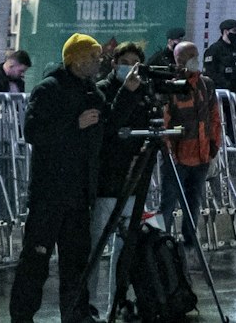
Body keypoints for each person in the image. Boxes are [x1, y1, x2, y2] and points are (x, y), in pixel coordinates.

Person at [9, 33, 103, 323]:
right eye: (92, 57)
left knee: (76, 262)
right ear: (74, 59)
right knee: (36, 259)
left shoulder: (93, 93)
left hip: (78, 195)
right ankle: (22, 316)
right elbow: (34, 133)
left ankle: (76, 315)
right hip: (49, 195)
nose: (97, 63)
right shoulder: (49, 90)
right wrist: (74, 125)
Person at [91, 44, 151, 315]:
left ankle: (120, 298)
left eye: (134, 62)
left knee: (126, 245)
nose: (129, 67)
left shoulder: (143, 92)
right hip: (107, 178)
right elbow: (110, 126)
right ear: (114, 64)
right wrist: (127, 93)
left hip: (133, 177)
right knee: (96, 242)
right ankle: (89, 301)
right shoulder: (103, 89)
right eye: (124, 61)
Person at [162, 42, 220, 246]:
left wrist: (214, 146)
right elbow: (164, 122)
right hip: (177, 158)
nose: (197, 60)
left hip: (201, 156)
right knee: (168, 203)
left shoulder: (206, 85)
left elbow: (214, 117)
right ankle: (163, 243)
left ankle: (190, 242)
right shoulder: (170, 87)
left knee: (193, 202)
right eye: (191, 56)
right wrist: (170, 153)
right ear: (179, 61)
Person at [203, 18, 236, 102]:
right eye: (234, 30)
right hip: (219, 91)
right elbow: (210, 71)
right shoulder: (214, 49)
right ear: (226, 32)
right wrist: (225, 84)